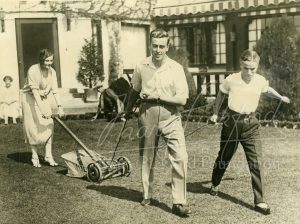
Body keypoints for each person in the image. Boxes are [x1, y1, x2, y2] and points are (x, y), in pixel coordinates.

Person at [209, 49, 290, 215]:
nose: (249, 72)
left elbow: (267, 90)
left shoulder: (259, 80)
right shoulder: (231, 80)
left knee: (256, 163)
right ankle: (215, 183)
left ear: (257, 67)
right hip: (231, 123)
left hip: (251, 125)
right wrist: (216, 113)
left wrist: (281, 97)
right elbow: (221, 95)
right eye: (246, 68)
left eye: (253, 68)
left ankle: (260, 201)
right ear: (241, 65)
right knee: (224, 157)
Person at [124, 28, 191, 217]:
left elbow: (182, 99)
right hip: (147, 114)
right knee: (147, 157)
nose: (158, 50)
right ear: (150, 45)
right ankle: (147, 194)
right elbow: (135, 89)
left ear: (168, 47)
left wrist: (159, 96)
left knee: (180, 157)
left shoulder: (176, 68)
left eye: (162, 46)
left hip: (171, 116)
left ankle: (179, 202)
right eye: (155, 46)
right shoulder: (141, 65)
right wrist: (127, 109)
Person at [22, 49, 64, 168]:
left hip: (43, 98)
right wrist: (42, 111)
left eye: (51, 60)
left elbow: (55, 90)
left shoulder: (53, 72)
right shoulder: (33, 70)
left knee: (49, 124)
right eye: (46, 60)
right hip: (29, 99)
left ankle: (48, 156)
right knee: (33, 127)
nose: (49, 63)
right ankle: (34, 156)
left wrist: (60, 107)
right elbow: (35, 92)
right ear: (41, 60)